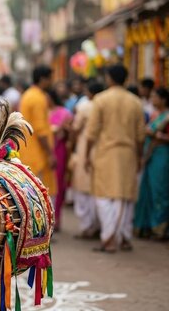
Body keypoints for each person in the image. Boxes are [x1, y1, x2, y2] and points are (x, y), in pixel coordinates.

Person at [85, 65, 145, 253]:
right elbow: (141, 135)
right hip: (128, 154)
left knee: (104, 196)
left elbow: (92, 132)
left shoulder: (101, 99)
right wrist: (140, 156)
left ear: (109, 78)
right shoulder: (135, 102)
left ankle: (109, 238)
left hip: (106, 154)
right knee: (125, 197)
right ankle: (124, 237)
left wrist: (86, 155)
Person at [134, 87, 169, 240]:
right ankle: (148, 226)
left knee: (160, 190)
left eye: (155, 96)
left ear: (163, 99)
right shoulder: (155, 115)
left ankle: (161, 227)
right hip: (152, 156)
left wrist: (157, 134)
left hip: (162, 156)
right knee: (149, 190)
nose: (152, 99)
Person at [71, 80, 104, 238]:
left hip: (85, 147)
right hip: (102, 149)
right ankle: (98, 225)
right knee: (97, 189)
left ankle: (87, 227)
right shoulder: (105, 105)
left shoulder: (85, 106)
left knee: (83, 189)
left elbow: (76, 128)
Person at [19, 65, 57, 197]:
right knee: (38, 196)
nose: (52, 82)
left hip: (28, 151)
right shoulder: (37, 98)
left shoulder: (29, 94)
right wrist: (50, 154)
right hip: (37, 155)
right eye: (50, 78)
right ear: (43, 79)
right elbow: (40, 130)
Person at [48, 89, 73, 230]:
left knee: (58, 183)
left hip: (59, 150)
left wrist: (63, 129)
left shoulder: (64, 112)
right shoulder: (43, 112)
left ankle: (56, 218)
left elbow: (70, 131)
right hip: (45, 152)